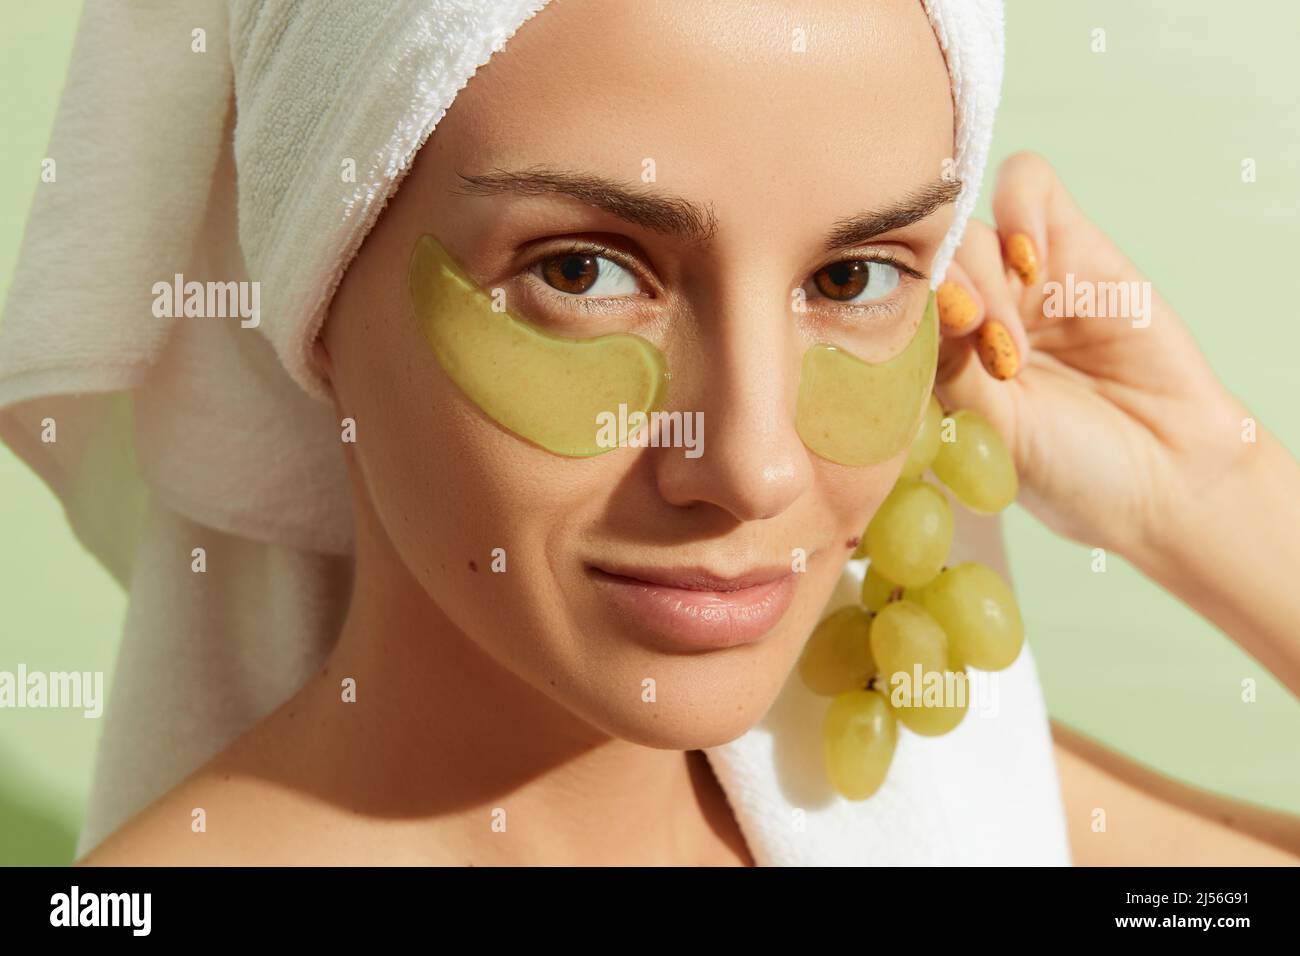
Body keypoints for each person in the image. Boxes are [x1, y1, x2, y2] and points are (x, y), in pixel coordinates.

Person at [5, 0, 1297, 866]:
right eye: (581, 273)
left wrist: (1204, 495)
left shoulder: (922, 786)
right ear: (313, 297)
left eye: (851, 279)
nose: (751, 463)